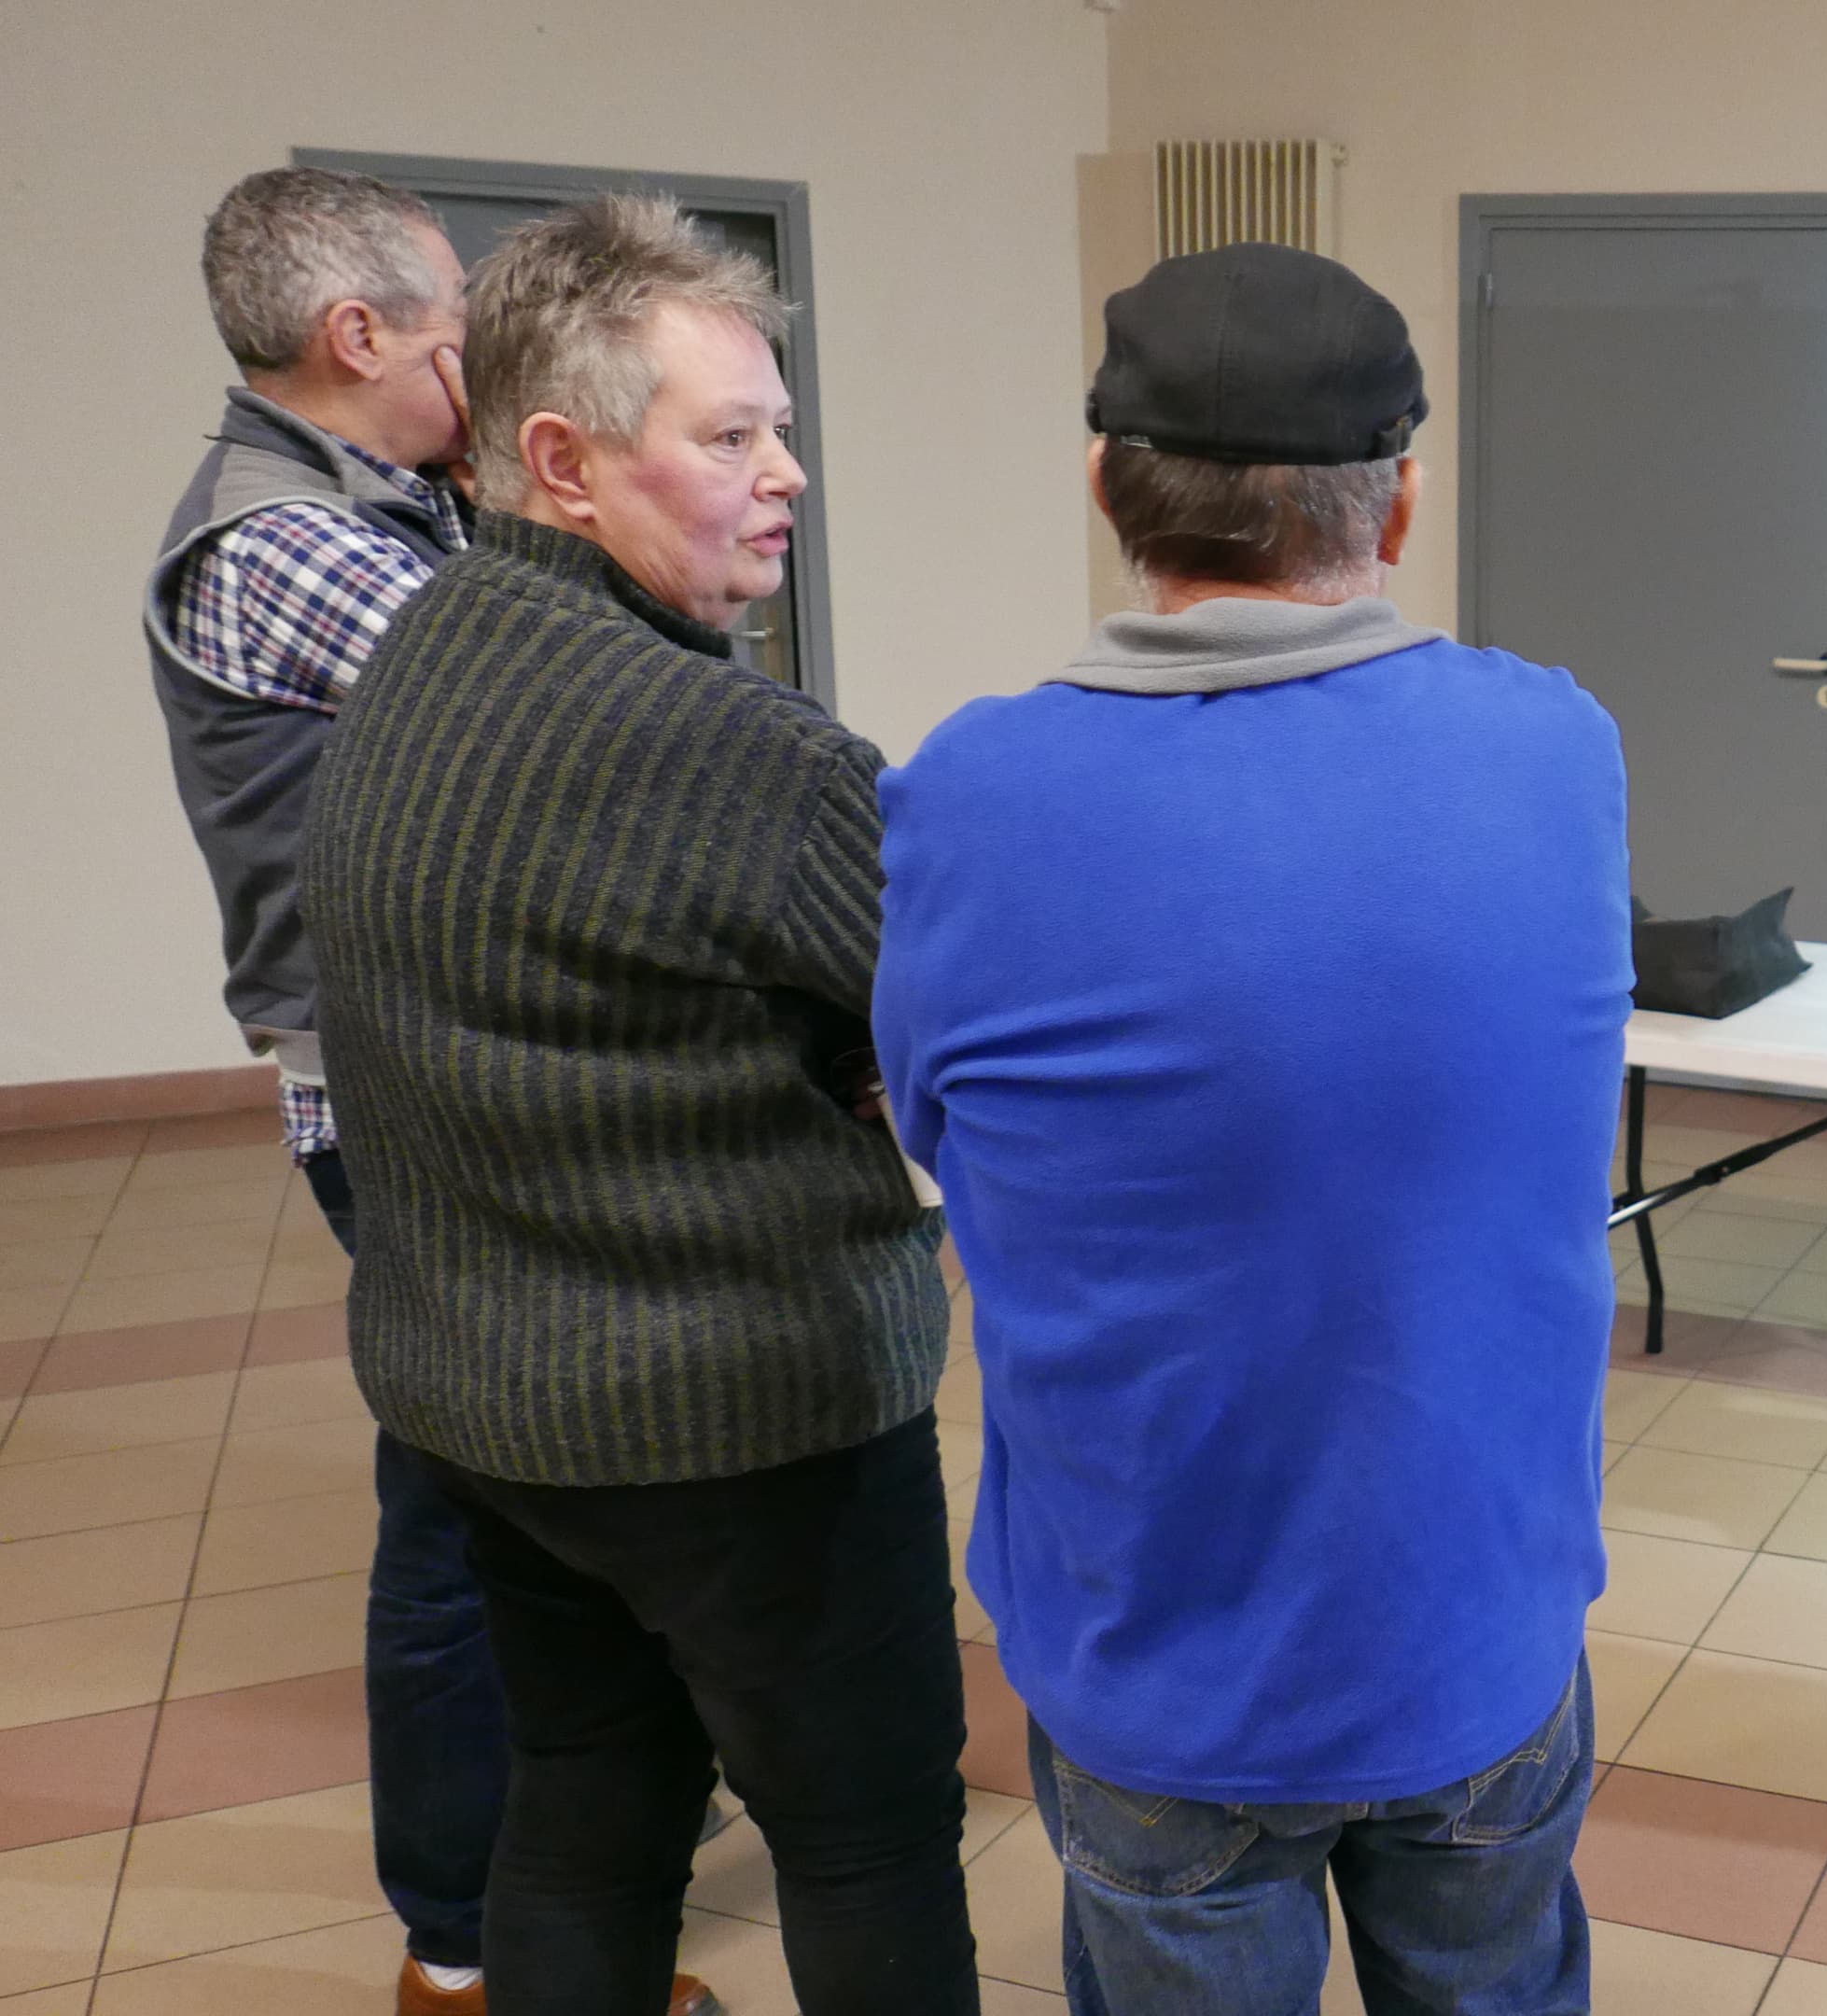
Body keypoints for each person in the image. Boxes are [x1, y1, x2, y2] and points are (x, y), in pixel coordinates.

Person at [872, 244, 1629, 2016]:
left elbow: (933, 1119)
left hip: (1160, 1659)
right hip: (1472, 1623)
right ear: (1400, 499)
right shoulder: (1554, 744)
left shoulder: (969, 789)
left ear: (1105, 486)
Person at [300, 193, 973, 2016]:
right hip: (747, 1420)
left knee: (589, 1806)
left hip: (492, 1402)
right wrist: (852, 1068)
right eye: (731, 437)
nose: (788, 475)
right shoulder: (753, 759)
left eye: (781, 428)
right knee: (869, 1841)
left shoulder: (417, 658)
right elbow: (963, 1039)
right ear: (560, 462)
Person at [141, 165, 724, 2016]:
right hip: (415, 1103)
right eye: (460, 330)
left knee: (531, 1488)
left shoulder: (384, 507)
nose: (479, 362)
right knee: (471, 1520)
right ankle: (466, 1945)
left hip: (466, 1077)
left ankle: (559, 1870)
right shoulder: (285, 541)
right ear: (356, 335)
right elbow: (568, 720)